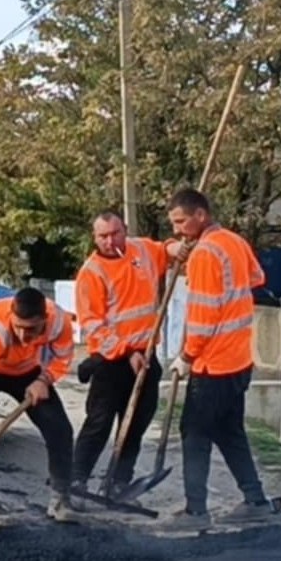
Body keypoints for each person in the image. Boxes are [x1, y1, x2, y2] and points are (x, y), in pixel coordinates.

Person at [165, 187, 280, 530]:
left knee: (194, 432)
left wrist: (186, 356)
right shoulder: (233, 241)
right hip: (239, 360)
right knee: (230, 431)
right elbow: (258, 278)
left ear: (200, 215)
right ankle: (255, 500)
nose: (176, 230)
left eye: (181, 221)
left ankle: (195, 511)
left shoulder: (204, 255)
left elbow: (202, 318)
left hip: (212, 363)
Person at [0, 286, 81, 526]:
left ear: (44, 319)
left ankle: (61, 499)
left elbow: (63, 358)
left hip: (26, 370)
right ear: (11, 316)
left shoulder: (59, 322)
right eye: (19, 328)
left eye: (32, 330)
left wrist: (44, 380)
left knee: (60, 429)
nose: (24, 337)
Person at [70, 212, 169, 497]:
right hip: (110, 361)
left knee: (136, 423)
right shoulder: (92, 273)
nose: (109, 240)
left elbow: (167, 252)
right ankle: (77, 480)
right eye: (103, 236)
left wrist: (181, 247)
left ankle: (118, 481)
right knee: (99, 421)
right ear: (95, 237)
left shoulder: (142, 250)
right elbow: (94, 327)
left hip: (146, 355)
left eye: (115, 233)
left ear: (125, 230)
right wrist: (126, 353)